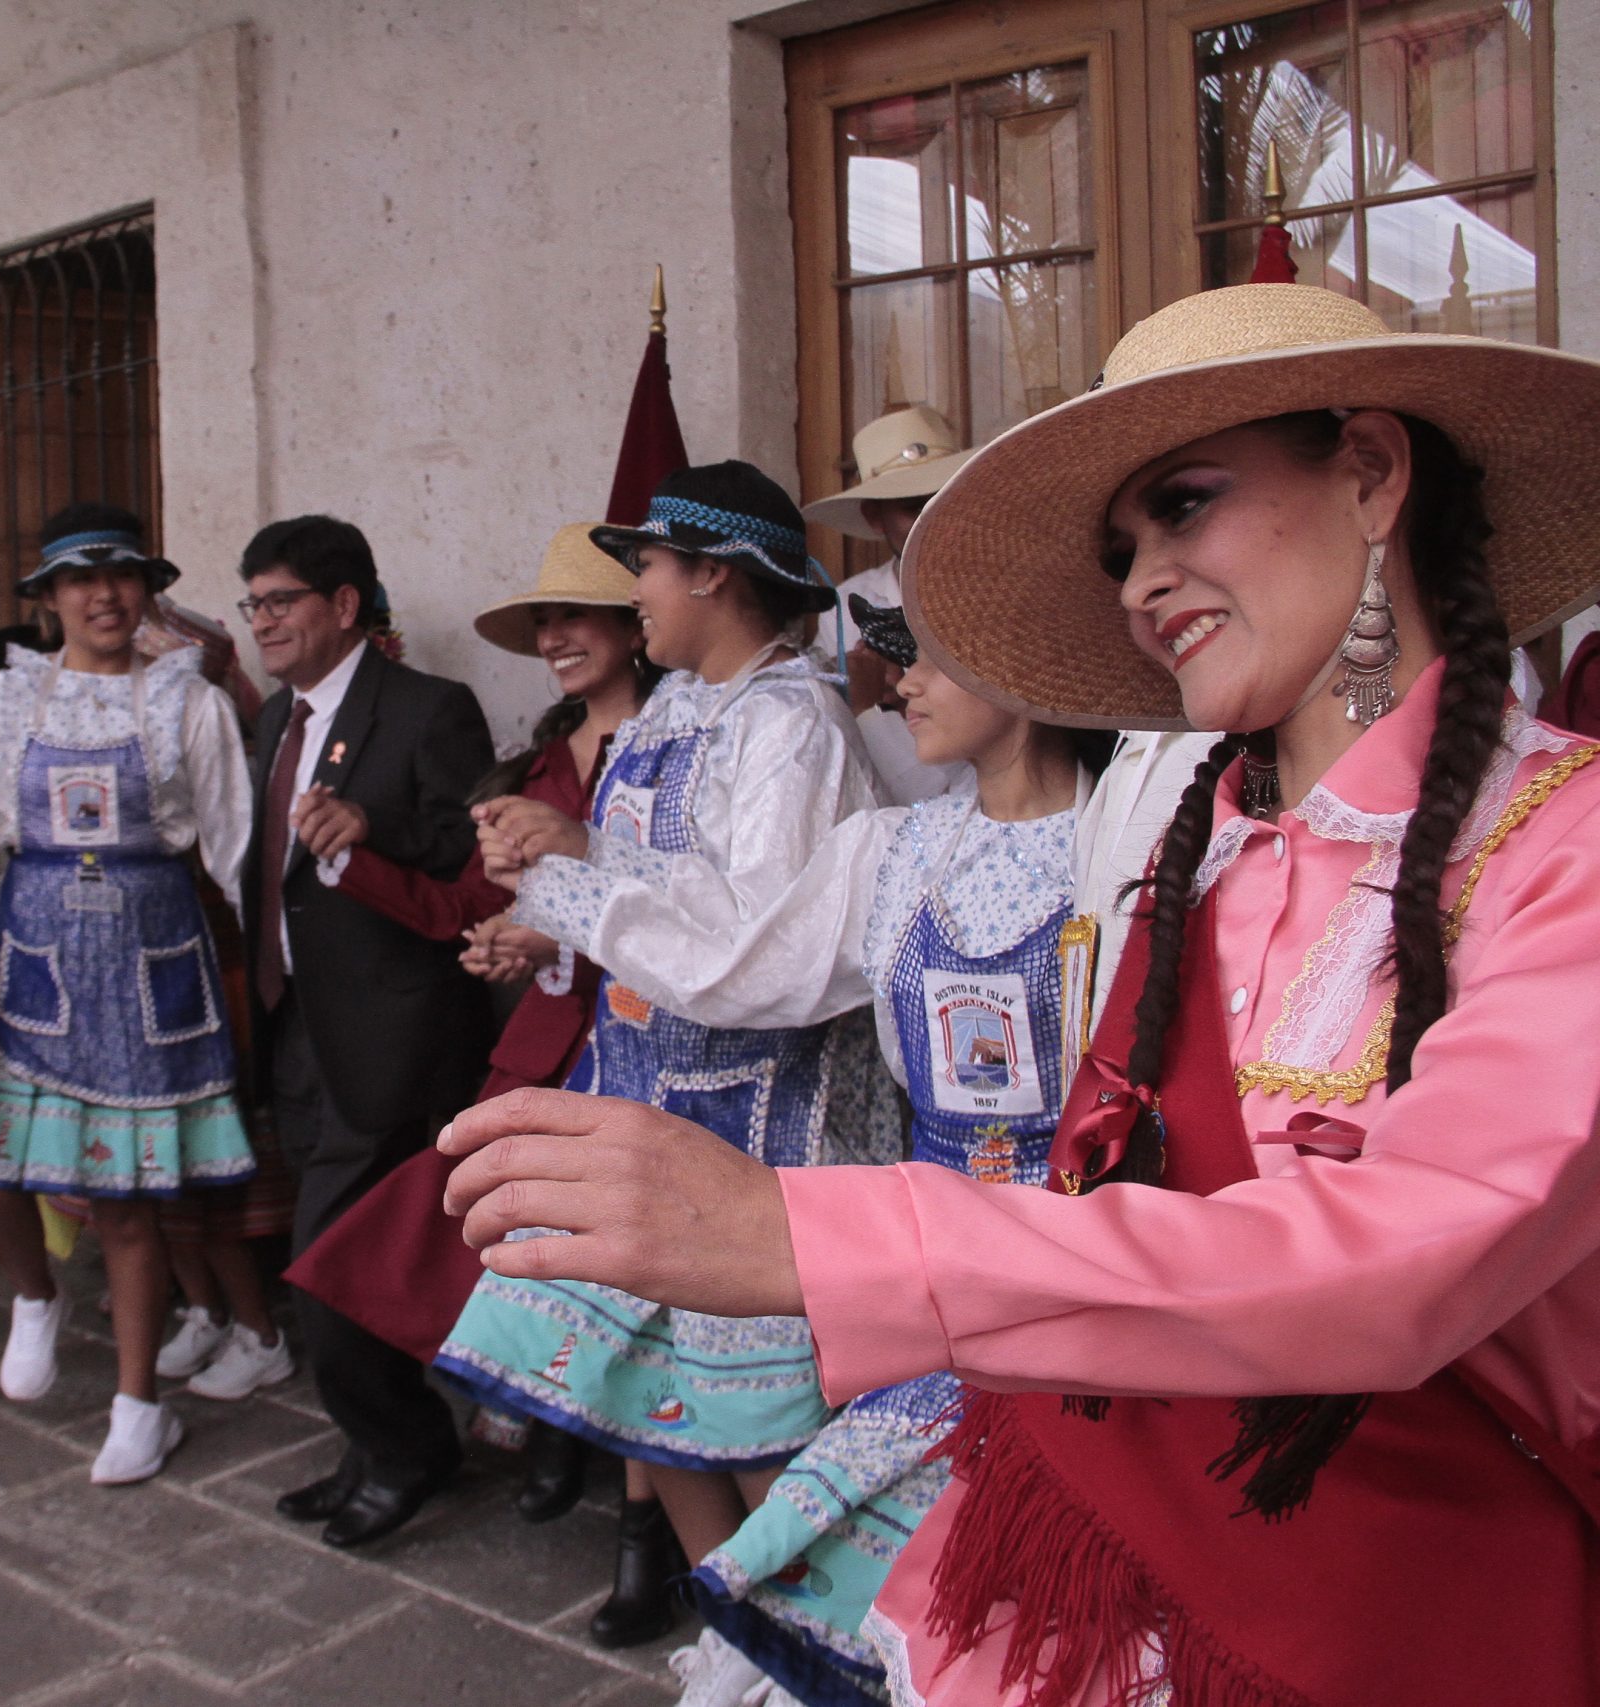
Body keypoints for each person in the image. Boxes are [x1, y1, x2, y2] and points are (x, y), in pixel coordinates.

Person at [442, 284, 1600, 1705]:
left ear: (1370, 470)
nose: (1139, 582)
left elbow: (1408, 1254)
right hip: (1129, 1518)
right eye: (1123, 549)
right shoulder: (1195, 827)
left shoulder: (1559, 842)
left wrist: (808, 1230)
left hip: (1415, 1610)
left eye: (1184, 504)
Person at [442, 460, 894, 1679]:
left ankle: (791, 1634)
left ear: (710, 574)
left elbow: (760, 949)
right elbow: (655, 895)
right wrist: (553, 891)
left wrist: (573, 880)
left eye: (643, 564)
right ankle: (729, 1622)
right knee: (661, 1393)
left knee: (756, 1411)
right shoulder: (675, 712)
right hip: (651, 1082)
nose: (630, 588)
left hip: (753, 1119)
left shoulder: (791, 724)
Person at [615, 594, 1097, 1706]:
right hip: (924, 1261)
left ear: (1020, 673)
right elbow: (749, 970)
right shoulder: (894, 847)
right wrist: (583, 896)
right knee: (858, 1580)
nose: (896, 684)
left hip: (1065, 1266)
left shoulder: (1120, 848)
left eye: (924, 660)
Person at [283, 520, 676, 1637]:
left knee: (636, 1299)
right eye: (542, 621)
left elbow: (691, 917)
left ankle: (641, 1532)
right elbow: (463, 906)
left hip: (649, 1052)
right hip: (546, 1054)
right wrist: (357, 864)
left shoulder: (683, 745)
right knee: (431, 1260)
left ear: (632, 624)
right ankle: (529, 1439)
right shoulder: (544, 762)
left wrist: (546, 939)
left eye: (575, 615)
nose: (553, 637)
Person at [0, 504, 255, 1484]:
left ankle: (136, 1406)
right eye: (81, 580)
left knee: (124, 1198)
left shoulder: (188, 704)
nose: (105, 595)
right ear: (49, 600)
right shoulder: (1, 704)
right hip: (25, 941)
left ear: (146, 590)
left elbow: (234, 844)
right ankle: (34, 1295)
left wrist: (271, 961)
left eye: (122, 576)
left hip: (145, 951)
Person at [239, 512, 497, 1548]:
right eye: (252, 603)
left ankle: (408, 1449)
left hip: (392, 1034)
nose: (262, 621)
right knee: (330, 1259)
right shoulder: (274, 719)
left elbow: (466, 861)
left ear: (344, 606)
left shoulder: (429, 711)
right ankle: (368, 1442)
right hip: (294, 1019)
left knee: (327, 1262)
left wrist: (371, 829)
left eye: (281, 601)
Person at [801, 407, 972, 807]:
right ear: (874, 517)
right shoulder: (844, 605)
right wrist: (870, 698)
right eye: (914, 507)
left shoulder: (994, 592)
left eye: (944, 497)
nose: (934, 518)